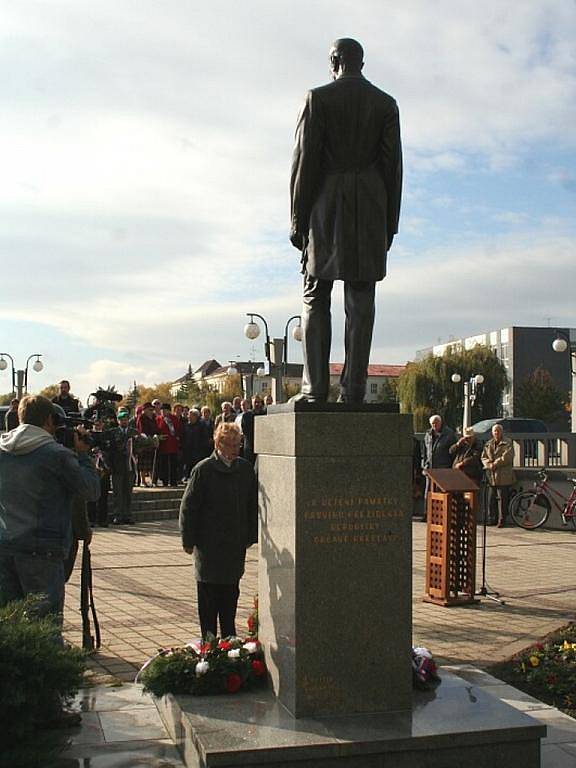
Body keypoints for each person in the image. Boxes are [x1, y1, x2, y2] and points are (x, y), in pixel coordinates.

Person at [290, 38, 402, 403]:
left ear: (335, 61)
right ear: (362, 64)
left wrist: (297, 218)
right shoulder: (385, 104)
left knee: (314, 294)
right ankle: (354, 390)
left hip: (326, 206)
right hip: (371, 206)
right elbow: (393, 169)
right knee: (361, 300)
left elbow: (305, 163)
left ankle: (314, 389)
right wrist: (390, 224)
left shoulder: (318, 98)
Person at [0, 396, 99, 623]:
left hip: (5, 545)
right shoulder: (56, 455)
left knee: (9, 621)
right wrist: (83, 455)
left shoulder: (2, 449)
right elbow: (91, 490)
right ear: (49, 420)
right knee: (45, 624)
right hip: (42, 550)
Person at [179, 423, 258, 639]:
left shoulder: (244, 469)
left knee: (230, 598)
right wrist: (188, 539)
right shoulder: (203, 470)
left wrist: (251, 535)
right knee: (209, 602)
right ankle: (209, 646)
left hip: (234, 547)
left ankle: (229, 646)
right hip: (209, 548)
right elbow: (189, 507)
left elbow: (252, 505)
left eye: (238, 444)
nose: (235, 449)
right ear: (218, 443)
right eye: (231, 444)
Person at [422, 415, 457, 521]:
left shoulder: (449, 434)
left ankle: (441, 515)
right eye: (432, 424)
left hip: (443, 469)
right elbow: (424, 452)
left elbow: (453, 452)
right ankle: (427, 514)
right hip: (430, 469)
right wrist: (424, 465)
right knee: (428, 493)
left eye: (436, 423)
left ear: (440, 423)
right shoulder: (428, 435)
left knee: (442, 494)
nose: (434, 425)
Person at [482, 424, 516, 527]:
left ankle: (502, 520)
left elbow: (507, 457)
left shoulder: (508, 442)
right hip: (491, 475)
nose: (496, 433)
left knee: (502, 498)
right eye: (494, 431)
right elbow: (483, 457)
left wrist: (495, 464)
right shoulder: (488, 444)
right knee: (491, 498)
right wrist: (488, 464)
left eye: (498, 431)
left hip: (503, 475)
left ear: (501, 432)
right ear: (492, 433)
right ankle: (491, 518)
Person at [181, 408, 211, 480]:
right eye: (188, 415)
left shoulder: (202, 426)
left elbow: (205, 438)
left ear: (196, 416)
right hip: (188, 449)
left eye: (191, 416)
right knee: (188, 463)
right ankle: (187, 476)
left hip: (199, 450)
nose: (189, 417)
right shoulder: (186, 426)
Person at [156, 403, 181, 487]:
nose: (163, 412)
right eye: (162, 410)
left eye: (165, 410)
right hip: (163, 445)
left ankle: (173, 481)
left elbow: (178, 429)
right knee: (164, 464)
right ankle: (165, 481)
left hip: (173, 444)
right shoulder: (159, 419)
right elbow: (157, 429)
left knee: (173, 464)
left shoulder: (173, 418)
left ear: (169, 411)